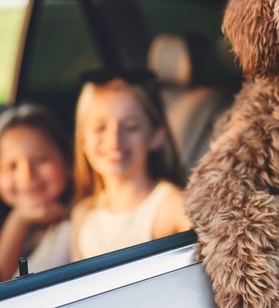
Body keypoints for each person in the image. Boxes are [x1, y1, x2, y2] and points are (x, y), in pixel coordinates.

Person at [70, 69, 192, 260]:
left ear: (156, 136)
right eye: (100, 128)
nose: (114, 139)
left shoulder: (172, 207)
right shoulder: (83, 215)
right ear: (83, 140)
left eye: (130, 127)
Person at [0, 104, 73, 288]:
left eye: (41, 160)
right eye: (11, 166)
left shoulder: (74, 221)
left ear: (66, 161)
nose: (27, 176)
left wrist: (19, 220)